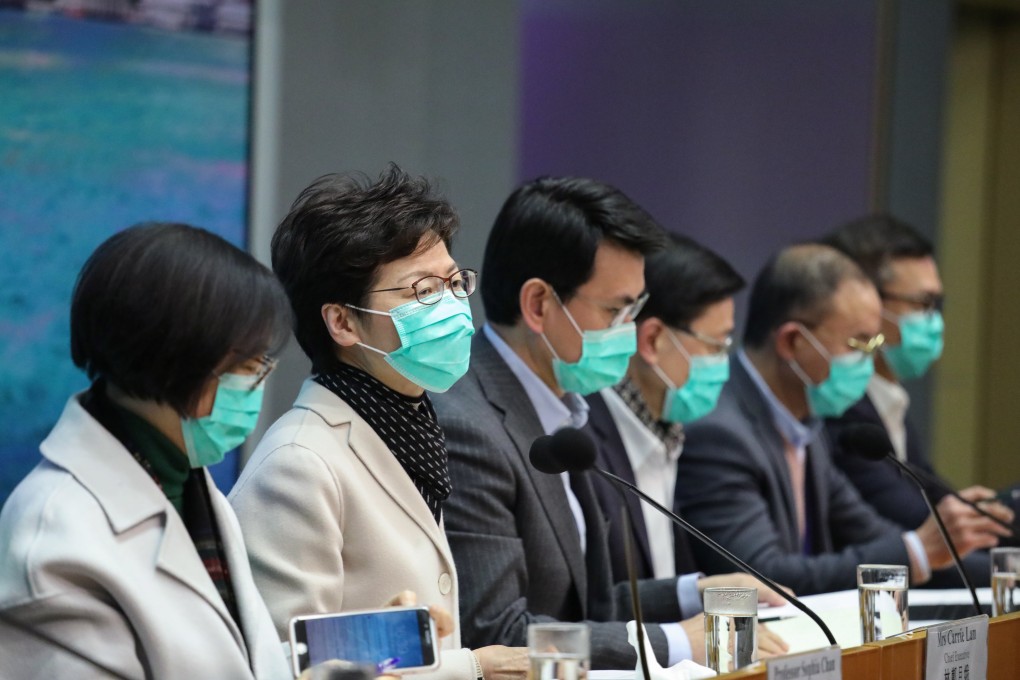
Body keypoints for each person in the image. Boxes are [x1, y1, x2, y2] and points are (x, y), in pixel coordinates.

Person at [431, 177, 787, 671]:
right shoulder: (468, 425)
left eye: (636, 308)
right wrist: (675, 643)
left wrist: (697, 592)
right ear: (538, 305)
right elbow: (499, 632)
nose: (630, 329)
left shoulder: (565, 408)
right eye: (618, 310)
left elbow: (588, 605)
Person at [229, 166, 527, 680]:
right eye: (422, 292)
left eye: (455, 283)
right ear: (342, 322)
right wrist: (470, 668)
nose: (454, 306)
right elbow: (291, 667)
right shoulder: (297, 466)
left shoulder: (407, 423)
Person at [0, 223, 295, 678]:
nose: (258, 383)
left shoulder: (188, 483)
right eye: (250, 366)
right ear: (181, 357)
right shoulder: (55, 531)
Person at [675, 243, 1011, 595]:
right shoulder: (718, 432)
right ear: (792, 342)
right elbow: (765, 576)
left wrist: (997, 569)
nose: (870, 359)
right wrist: (919, 550)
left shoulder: (806, 423)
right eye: (858, 344)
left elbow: (873, 534)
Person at [822, 214, 1014, 586]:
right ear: (867, 304)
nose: (934, 319)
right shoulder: (841, 410)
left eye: (936, 303)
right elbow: (918, 526)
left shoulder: (889, 398)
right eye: (923, 303)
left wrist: (990, 513)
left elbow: (941, 504)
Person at [585, 233, 745, 583]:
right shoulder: (582, 442)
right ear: (653, 340)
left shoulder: (667, 430)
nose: (723, 361)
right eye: (716, 345)